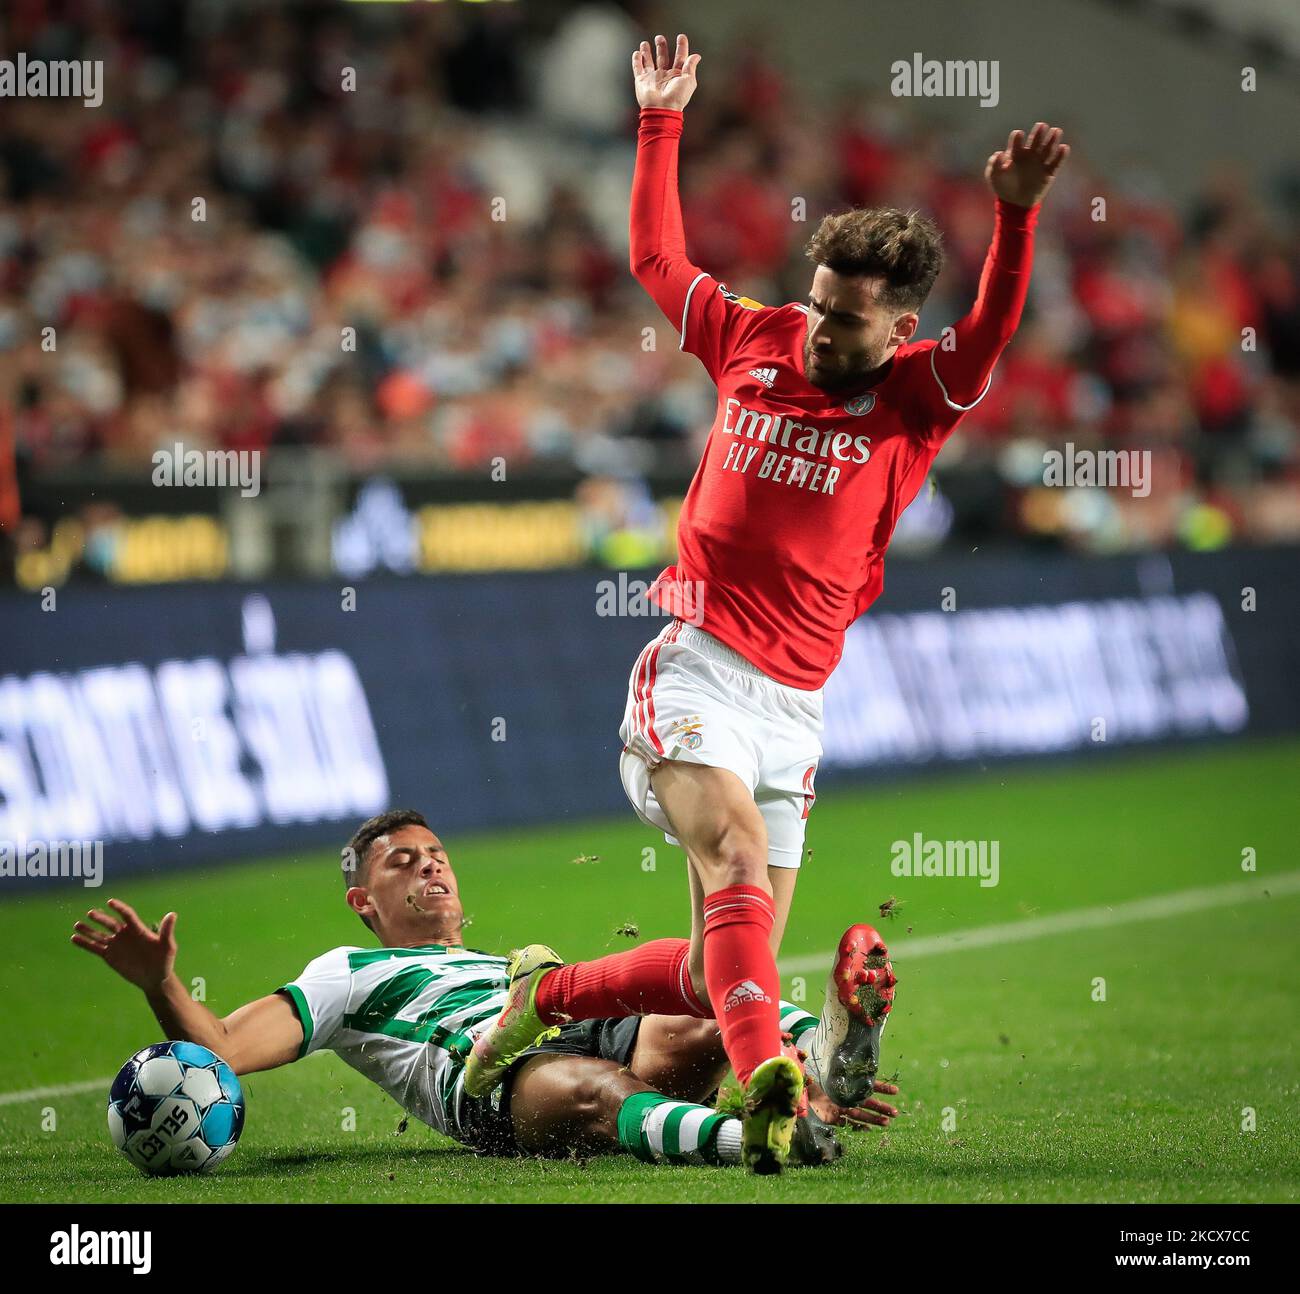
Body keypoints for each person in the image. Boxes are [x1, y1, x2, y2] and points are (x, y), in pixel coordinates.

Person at [468, 32, 1067, 1174]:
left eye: (844, 317)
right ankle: (775, 1090)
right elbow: (654, 257)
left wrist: (1017, 217)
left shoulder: (916, 395)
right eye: (816, 301)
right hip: (694, 668)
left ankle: (544, 995)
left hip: (794, 706)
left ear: (898, 326)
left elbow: (989, 335)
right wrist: (659, 120)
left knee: (712, 973)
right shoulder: (755, 336)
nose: (818, 325)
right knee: (737, 869)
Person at [71, 809, 900, 1167]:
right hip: (487, 1080)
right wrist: (162, 982)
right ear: (365, 903)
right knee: (592, 1091)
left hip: (559, 1010)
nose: (429, 864)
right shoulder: (345, 975)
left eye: (436, 855)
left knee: (701, 1012)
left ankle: (822, 1058)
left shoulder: (494, 958)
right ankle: (749, 1142)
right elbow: (216, 1050)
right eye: (403, 861)